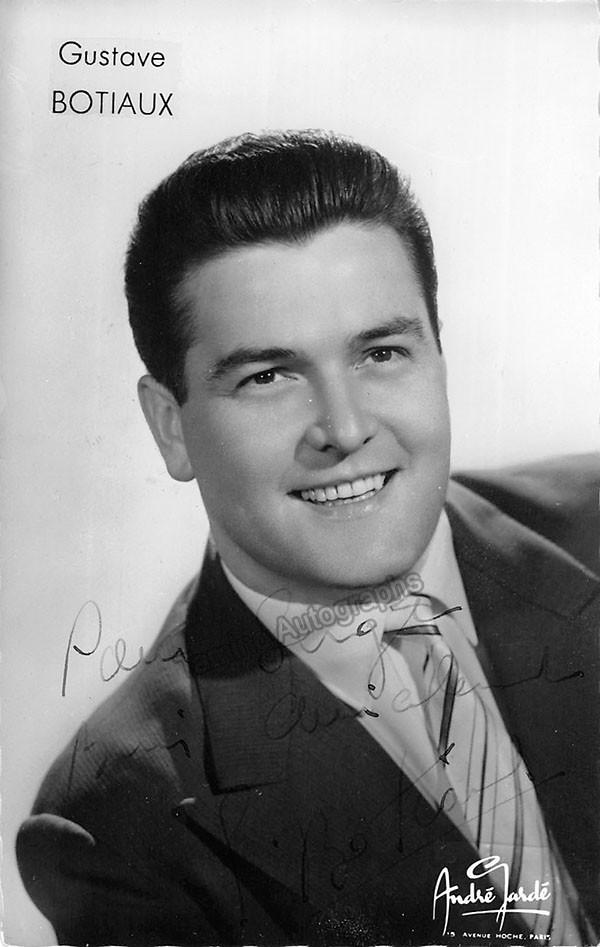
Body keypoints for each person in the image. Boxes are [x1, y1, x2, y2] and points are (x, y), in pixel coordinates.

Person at [17, 130, 599, 946]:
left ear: (439, 355)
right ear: (171, 427)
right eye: (269, 376)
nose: (345, 428)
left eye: (381, 352)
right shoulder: (122, 820)